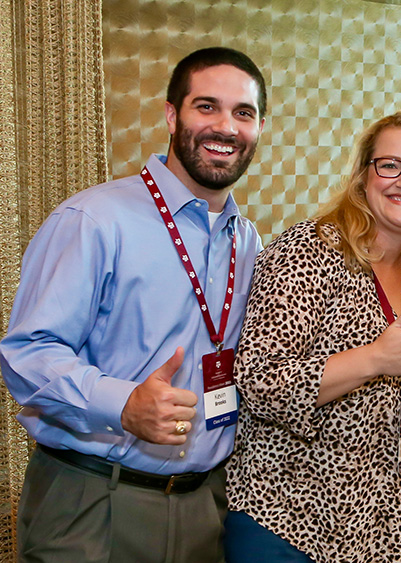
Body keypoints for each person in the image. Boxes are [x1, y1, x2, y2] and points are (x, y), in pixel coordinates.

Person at [0, 47, 266, 562]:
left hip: (204, 505)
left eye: (244, 113)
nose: (226, 127)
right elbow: (27, 354)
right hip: (95, 499)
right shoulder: (94, 220)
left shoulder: (248, 241)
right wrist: (122, 404)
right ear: (172, 115)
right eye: (206, 106)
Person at [224, 110, 401, 563]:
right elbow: (258, 380)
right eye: (389, 165)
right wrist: (375, 358)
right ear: (362, 176)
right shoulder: (309, 250)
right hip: (291, 525)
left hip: (384, 533)